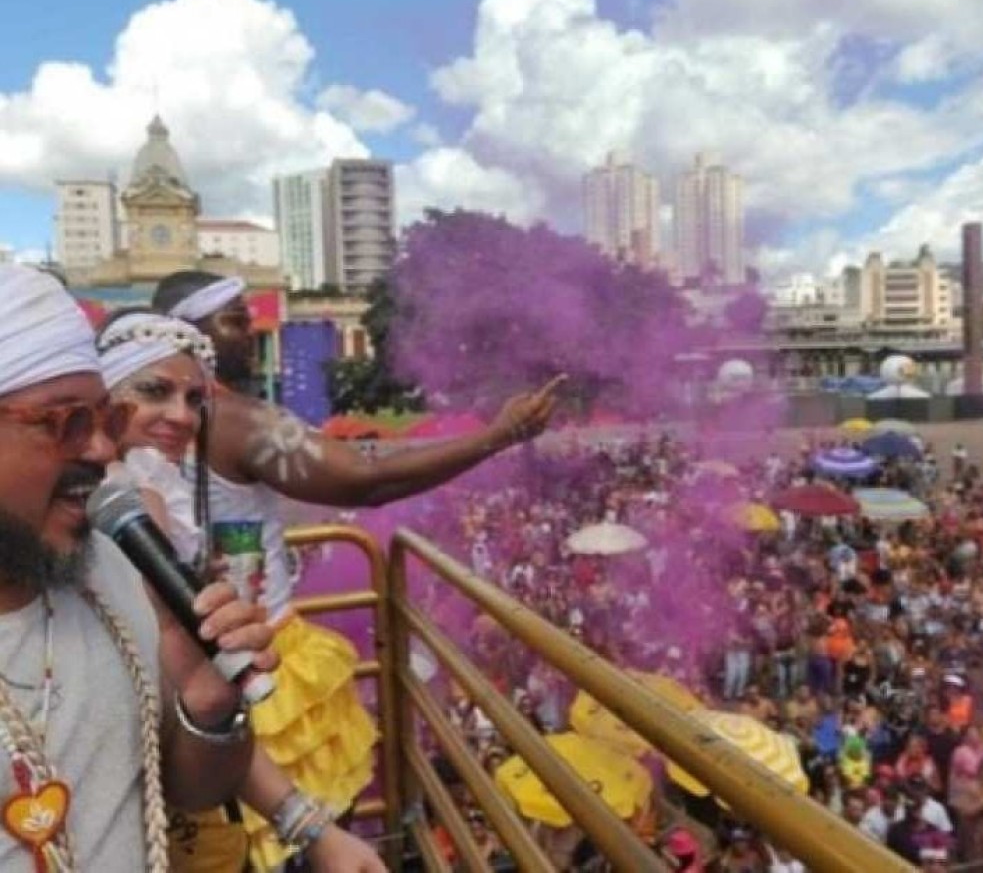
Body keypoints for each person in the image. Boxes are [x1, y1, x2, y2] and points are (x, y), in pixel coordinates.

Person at [153, 270, 564, 866]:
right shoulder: (231, 417)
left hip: (183, 665)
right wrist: (500, 435)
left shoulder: (137, 421)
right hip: (256, 661)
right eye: (235, 320)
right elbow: (367, 479)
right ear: (192, 337)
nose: (251, 331)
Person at [0, 265, 277, 872]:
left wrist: (207, 709)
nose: (102, 450)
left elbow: (193, 791)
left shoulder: (110, 569)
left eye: (105, 421)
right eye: (66, 421)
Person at [96, 309, 386, 872]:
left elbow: (194, 694)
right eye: (155, 391)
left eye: (195, 399)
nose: (181, 417)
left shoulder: (148, 494)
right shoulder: (115, 505)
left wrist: (311, 829)